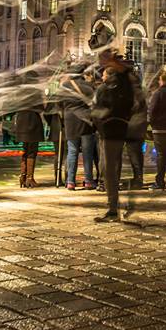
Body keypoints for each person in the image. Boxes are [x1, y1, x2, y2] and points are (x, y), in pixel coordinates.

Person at [92, 57, 135, 222]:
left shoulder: (108, 90)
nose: (101, 76)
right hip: (116, 130)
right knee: (111, 167)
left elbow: (98, 109)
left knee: (109, 168)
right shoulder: (122, 89)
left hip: (110, 131)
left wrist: (100, 119)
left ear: (109, 75)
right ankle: (114, 206)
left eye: (104, 73)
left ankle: (112, 209)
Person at [61, 65, 97, 191]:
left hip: (70, 120)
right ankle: (88, 181)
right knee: (88, 153)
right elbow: (94, 103)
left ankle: (70, 181)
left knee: (72, 151)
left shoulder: (65, 86)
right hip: (85, 120)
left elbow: (59, 103)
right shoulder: (88, 86)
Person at [125, 69, 148, 190]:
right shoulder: (141, 92)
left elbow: (131, 108)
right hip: (140, 125)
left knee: (134, 153)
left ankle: (138, 179)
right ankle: (138, 177)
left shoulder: (132, 93)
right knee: (137, 153)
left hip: (133, 126)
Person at [14, 108, 46, 188]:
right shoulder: (35, 95)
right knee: (32, 150)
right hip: (32, 122)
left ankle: (23, 176)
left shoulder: (18, 95)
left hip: (21, 121)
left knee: (25, 150)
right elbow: (40, 107)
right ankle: (29, 178)